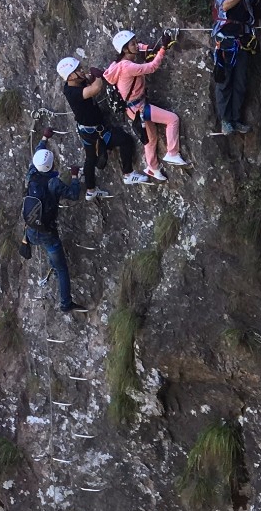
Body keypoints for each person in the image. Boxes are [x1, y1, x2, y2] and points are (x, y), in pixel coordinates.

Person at [104, 29, 189, 180]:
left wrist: (151, 47)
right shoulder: (128, 67)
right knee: (172, 119)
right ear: (125, 49)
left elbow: (141, 48)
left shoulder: (117, 63)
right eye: (133, 44)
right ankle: (172, 152)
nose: (137, 45)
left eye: (136, 42)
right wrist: (162, 49)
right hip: (140, 108)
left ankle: (152, 167)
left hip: (132, 109)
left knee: (151, 139)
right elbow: (151, 67)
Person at [57, 54, 143, 193]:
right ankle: (128, 174)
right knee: (125, 141)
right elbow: (95, 88)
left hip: (90, 130)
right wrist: (97, 77)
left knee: (91, 158)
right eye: (78, 70)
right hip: (94, 132)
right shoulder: (72, 92)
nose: (82, 71)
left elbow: (89, 80)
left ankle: (91, 190)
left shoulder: (76, 82)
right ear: (71, 76)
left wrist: (95, 74)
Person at [22, 147, 87, 312]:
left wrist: (44, 139)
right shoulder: (54, 183)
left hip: (30, 230)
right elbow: (73, 194)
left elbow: (37, 156)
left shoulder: (31, 175)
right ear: (51, 165)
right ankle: (65, 304)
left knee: (53, 255)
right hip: (47, 233)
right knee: (62, 269)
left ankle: (53, 264)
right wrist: (74, 177)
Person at [210, 0, 261, 136]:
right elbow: (224, 6)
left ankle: (236, 119)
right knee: (224, 82)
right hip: (225, 40)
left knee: (240, 82)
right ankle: (225, 121)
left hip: (243, 39)